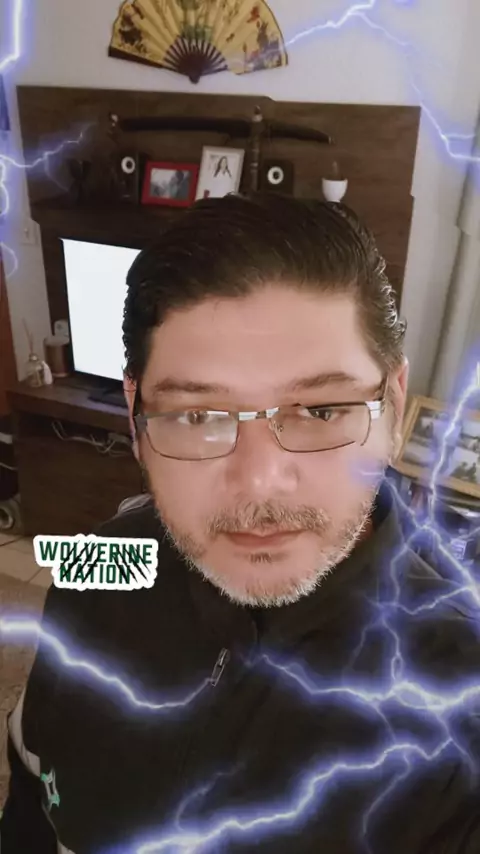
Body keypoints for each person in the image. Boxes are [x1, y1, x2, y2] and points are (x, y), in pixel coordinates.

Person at [1, 194, 480, 854]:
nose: (258, 481)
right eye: (197, 416)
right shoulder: (97, 568)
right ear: (135, 417)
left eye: (320, 410)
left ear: (394, 408)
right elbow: (34, 798)